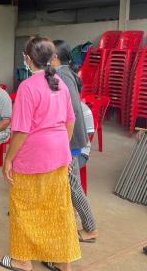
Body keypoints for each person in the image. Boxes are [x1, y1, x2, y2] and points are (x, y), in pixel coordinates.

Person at [0, 37, 80, 271]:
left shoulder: (28, 87)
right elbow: (70, 122)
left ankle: (22, 260)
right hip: (58, 155)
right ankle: (63, 264)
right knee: (58, 210)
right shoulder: (60, 84)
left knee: (24, 208)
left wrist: (8, 159)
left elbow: (21, 131)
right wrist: (63, 151)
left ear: (28, 59)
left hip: (32, 156)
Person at [52, 39, 99, 244]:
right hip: (69, 140)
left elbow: (69, 111)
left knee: (73, 186)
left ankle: (90, 228)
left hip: (70, 142)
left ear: (54, 57)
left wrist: (66, 146)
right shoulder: (64, 73)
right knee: (70, 184)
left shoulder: (61, 74)